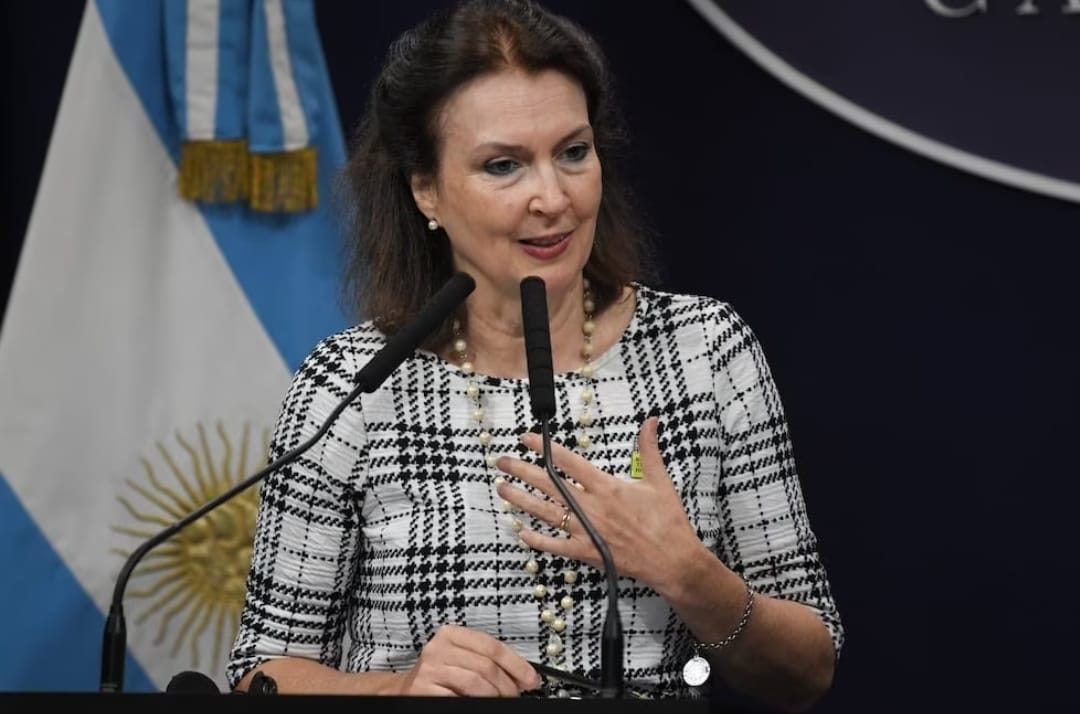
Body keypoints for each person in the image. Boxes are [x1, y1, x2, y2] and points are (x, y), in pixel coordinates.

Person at [227, 0, 843, 708]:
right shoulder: (353, 384)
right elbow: (261, 674)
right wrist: (396, 688)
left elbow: (806, 672)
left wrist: (689, 573)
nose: (552, 197)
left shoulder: (705, 352)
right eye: (503, 166)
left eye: (573, 153)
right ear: (425, 188)